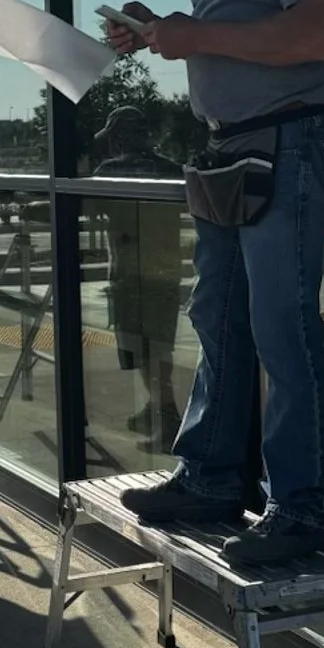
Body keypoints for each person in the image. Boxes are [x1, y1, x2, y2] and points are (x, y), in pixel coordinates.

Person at [102, 0, 324, 563]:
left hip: (289, 140)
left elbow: (317, 34)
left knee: (282, 328)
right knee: (219, 317)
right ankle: (213, 474)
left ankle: (298, 511)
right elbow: (235, 35)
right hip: (235, 151)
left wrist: (195, 34)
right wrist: (160, 32)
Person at [92, 105, 185, 451]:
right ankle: (156, 407)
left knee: (144, 350)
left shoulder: (111, 171)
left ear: (119, 137)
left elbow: (80, 207)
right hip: (167, 272)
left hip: (130, 277)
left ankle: (167, 415)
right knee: (159, 344)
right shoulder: (171, 169)